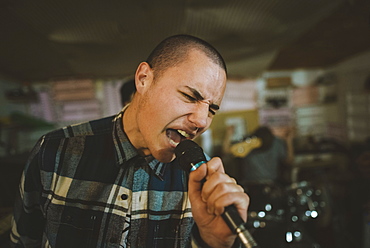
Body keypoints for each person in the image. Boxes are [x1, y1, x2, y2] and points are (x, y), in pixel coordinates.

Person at [10, 34, 249, 248]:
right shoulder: (55, 150)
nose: (201, 121)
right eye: (189, 96)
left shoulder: (202, 179)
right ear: (144, 78)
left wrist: (216, 244)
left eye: (212, 110)